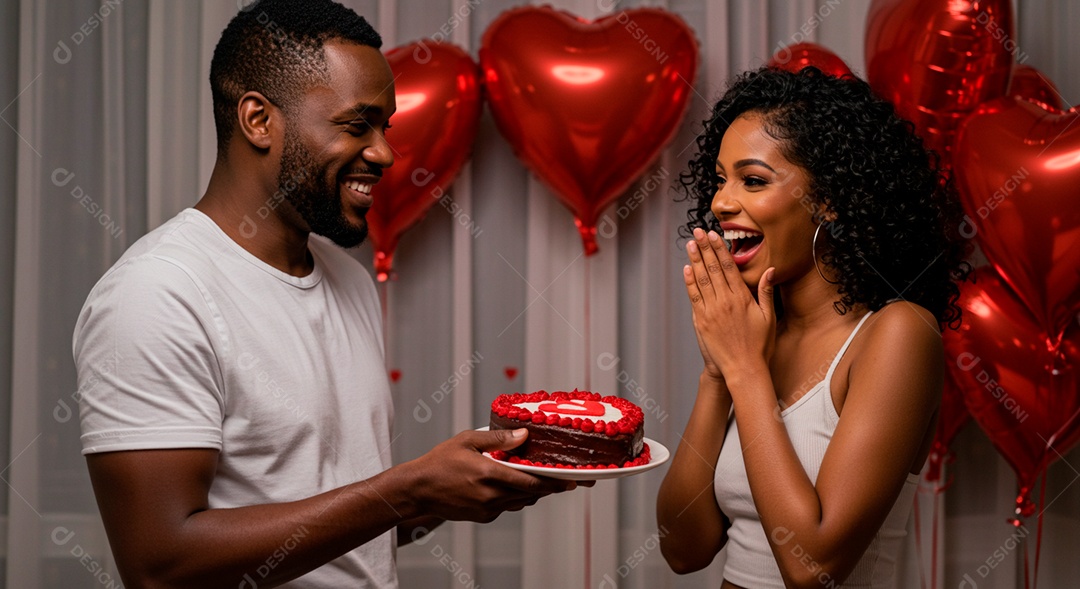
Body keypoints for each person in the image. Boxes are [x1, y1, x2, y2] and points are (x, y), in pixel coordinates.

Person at [73, 1, 582, 587]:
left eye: (385, 128)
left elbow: (339, 528)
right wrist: (407, 489)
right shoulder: (155, 294)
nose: (385, 153)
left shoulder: (347, 277)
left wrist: (448, 492)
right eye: (356, 125)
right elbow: (161, 566)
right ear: (258, 120)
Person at [656, 66, 970, 588]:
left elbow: (813, 567)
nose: (720, 202)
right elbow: (682, 550)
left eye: (753, 180)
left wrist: (744, 369)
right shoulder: (758, 334)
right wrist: (717, 375)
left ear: (830, 198)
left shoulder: (898, 334)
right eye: (720, 178)